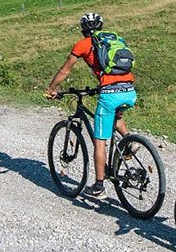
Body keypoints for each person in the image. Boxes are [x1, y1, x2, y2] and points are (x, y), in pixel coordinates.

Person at [44, 12, 136, 196]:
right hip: (129, 90)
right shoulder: (115, 39)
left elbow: (64, 70)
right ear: (101, 26)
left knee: (99, 140)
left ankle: (99, 186)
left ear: (82, 29)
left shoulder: (83, 44)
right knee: (115, 116)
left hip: (110, 93)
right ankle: (130, 141)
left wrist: (51, 89)